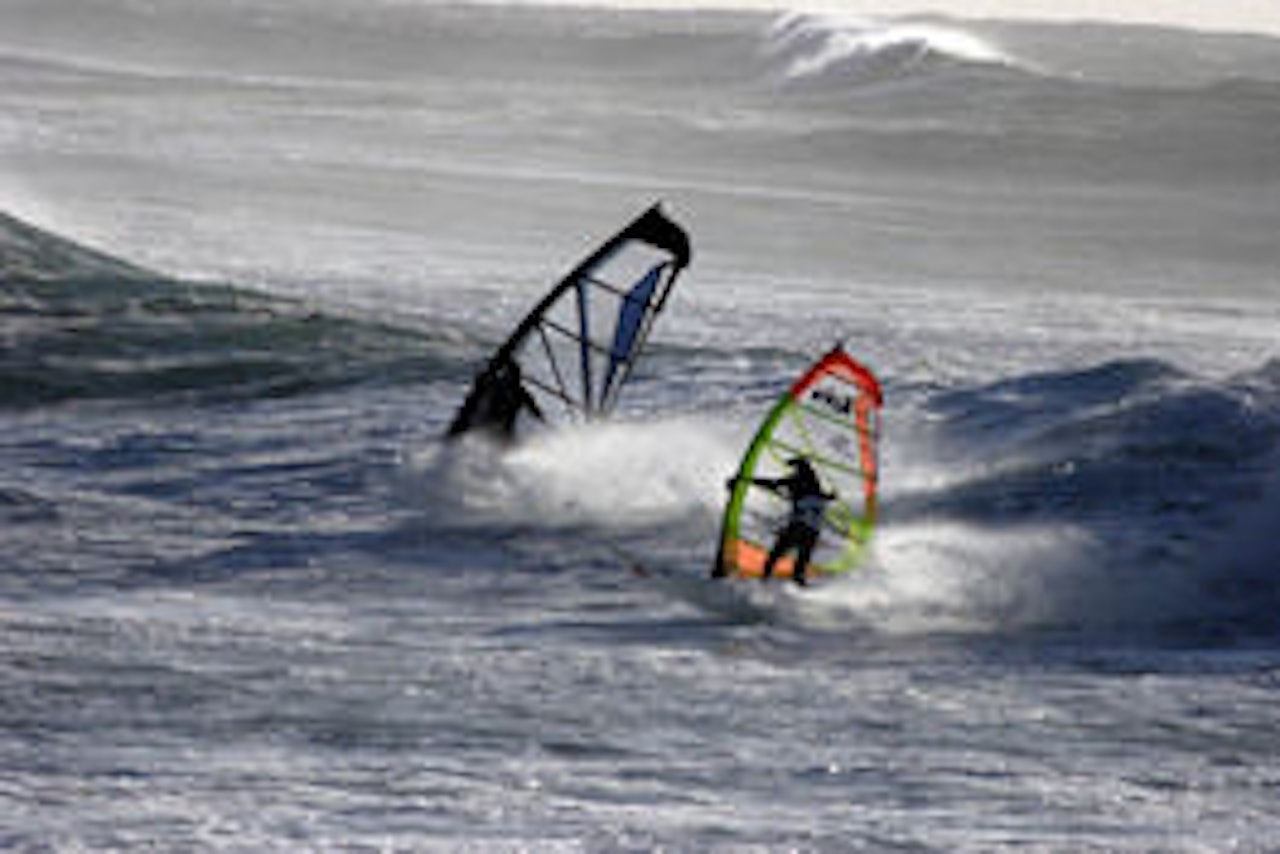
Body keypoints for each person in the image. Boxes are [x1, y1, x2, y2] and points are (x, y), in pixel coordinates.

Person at [734, 456, 835, 586]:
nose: (792, 471)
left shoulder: (798, 481)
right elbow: (823, 497)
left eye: (795, 468)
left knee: (775, 555)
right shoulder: (816, 486)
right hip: (813, 532)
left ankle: (764, 581)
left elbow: (773, 484)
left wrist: (744, 480)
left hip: (799, 527)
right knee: (799, 565)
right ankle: (798, 583)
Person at [446, 357, 543, 442]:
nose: (505, 378)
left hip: (504, 431)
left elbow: (535, 411)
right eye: (505, 374)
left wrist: (546, 425)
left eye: (508, 375)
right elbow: (482, 382)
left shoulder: (520, 392)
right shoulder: (493, 385)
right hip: (484, 425)